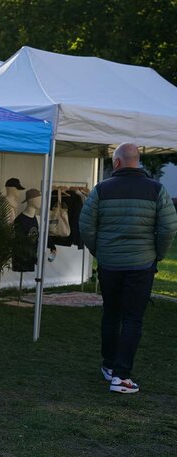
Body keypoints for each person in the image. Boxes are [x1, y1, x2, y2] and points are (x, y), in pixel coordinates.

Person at [79, 143, 177, 394]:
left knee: (111, 314)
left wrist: (98, 251)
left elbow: (86, 226)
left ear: (118, 162)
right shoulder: (157, 189)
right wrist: (157, 255)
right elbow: (168, 228)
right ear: (138, 161)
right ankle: (121, 377)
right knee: (132, 318)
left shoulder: (101, 189)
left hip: (110, 264)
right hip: (141, 265)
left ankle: (110, 366)